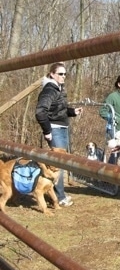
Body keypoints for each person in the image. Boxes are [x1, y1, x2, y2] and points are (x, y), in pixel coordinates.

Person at [35, 62, 82, 207]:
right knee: (57, 165)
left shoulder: (59, 89)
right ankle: (59, 197)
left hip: (62, 128)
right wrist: (47, 131)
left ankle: (57, 194)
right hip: (55, 130)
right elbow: (40, 111)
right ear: (52, 74)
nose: (63, 76)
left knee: (59, 164)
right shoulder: (50, 90)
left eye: (65, 74)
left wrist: (72, 112)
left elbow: (58, 110)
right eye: (60, 74)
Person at [99, 74, 120, 166]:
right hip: (117, 129)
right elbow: (102, 111)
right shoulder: (112, 96)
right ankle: (117, 174)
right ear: (119, 84)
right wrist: (113, 118)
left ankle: (111, 171)